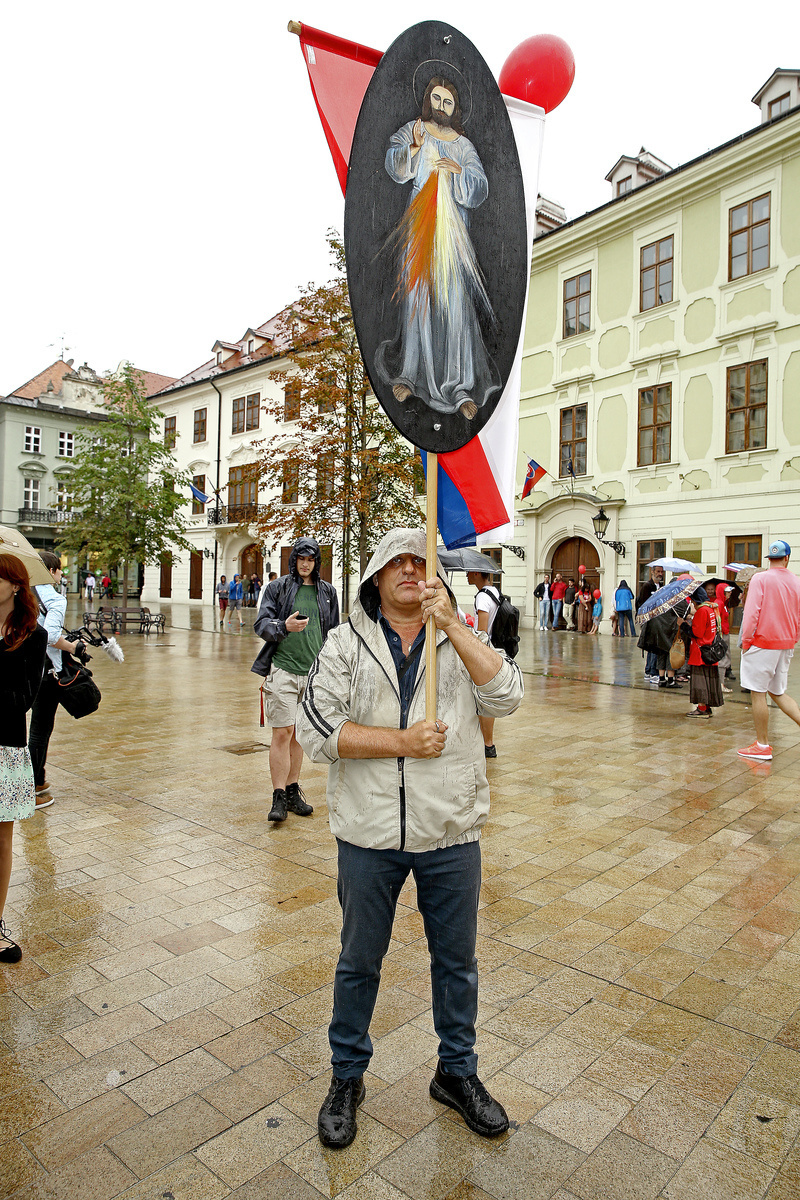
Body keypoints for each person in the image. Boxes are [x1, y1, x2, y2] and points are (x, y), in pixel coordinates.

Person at [295, 529, 523, 1149]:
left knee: (457, 962)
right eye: (394, 562)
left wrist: (455, 627)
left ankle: (457, 1072)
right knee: (359, 961)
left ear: (438, 577)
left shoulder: (459, 640)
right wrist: (401, 741)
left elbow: (507, 696)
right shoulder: (342, 646)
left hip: (451, 830)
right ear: (374, 578)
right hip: (368, 835)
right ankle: (347, 1076)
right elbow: (317, 732)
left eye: (419, 561)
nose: (407, 570)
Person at [376, 77, 500, 422]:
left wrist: (459, 171)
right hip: (420, 228)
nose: (442, 107)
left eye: (448, 102)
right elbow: (395, 167)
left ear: (454, 107)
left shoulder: (463, 145)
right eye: (437, 99)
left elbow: (479, 188)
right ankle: (410, 376)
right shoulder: (414, 130)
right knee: (418, 301)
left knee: (456, 306)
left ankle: (459, 386)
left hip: (452, 234)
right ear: (427, 100)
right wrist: (414, 149)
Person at [252, 537, 339, 822]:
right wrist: (283, 626)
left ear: (317, 562)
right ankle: (277, 796)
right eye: (300, 558)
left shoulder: (327, 592)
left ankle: (292, 791)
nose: (305, 564)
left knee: (299, 735)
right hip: (283, 670)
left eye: (310, 559)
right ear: (294, 560)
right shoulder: (277, 588)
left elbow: (333, 632)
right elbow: (261, 624)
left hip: (313, 674)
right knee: (282, 732)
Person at [0, 553, 48, 963]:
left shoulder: (33, 636)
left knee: (1, 840)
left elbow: (23, 699)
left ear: (16, 585)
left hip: (6, 748)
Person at [28, 552, 83, 807]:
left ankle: (37, 780)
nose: (61, 574)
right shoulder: (55, 599)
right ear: (50, 571)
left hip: (30, 669)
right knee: (40, 730)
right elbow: (49, 636)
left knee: (40, 728)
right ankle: (29, 788)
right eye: (59, 570)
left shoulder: (24, 594)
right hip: (48, 673)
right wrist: (72, 647)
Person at [737, 540, 800, 760]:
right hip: (785, 642)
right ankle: (762, 744)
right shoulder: (796, 581)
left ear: (769, 559)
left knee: (758, 693)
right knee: (778, 691)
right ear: (787, 558)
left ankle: (762, 745)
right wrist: (794, 637)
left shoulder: (760, 579)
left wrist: (746, 641)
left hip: (762, 643)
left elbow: (752, 613)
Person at [467, 569, 501, 758]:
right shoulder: (495, 592)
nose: (466, 575)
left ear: (478, 575)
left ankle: (487, 743)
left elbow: (482, 630)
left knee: (483, 697)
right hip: (496, 650)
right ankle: (488, 742)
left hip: (485, 651)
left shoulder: (482, 597)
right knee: (488, 697)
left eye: (470, 572)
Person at [683, 585, 724, 718]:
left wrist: (683, 625)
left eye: (693, 601)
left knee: (700, 680)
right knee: (708, 680)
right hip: (710, 651)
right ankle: (707, 707)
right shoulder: (712, 609)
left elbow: (697, 632)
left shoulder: (702, 611)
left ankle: (701, 708)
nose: (693, 604)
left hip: (700, 652)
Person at [636, 566, 665, 680]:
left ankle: (649, 670)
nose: (660, 574)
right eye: (658, 571)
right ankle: (652, 672)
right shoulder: (647, 586)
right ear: (652, 572)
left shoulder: (661, 586)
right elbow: (644, 603)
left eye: (661, 572)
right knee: (653, 646)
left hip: (658, 620)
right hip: (650, 620)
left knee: (654, 646)